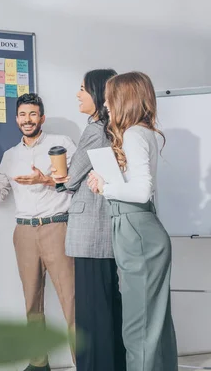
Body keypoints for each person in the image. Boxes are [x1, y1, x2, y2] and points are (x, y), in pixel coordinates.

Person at [0, 93, 77, 371]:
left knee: (71, 301)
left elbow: (77, 183)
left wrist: (45, 180)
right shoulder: (10, 156)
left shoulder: (62, 144)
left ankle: (83, 361)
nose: (28, 120)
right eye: (23, 115)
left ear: (42, 118)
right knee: (31, 303)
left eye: (33, 114)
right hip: (24, 232)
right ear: (16, 119)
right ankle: (39, 364)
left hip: (57, 225)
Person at [87, 71, 178, 371]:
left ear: (124, 99)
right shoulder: (141, 132)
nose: (106, 105)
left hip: (137, 231)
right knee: (152, 326)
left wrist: (105, 187)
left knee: (138, 329)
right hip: (136, 228)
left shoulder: (136, 134)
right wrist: (106, 180)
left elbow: (141, 190)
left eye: (110, 98)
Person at [52, 69, 127, 371]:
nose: (77, 94)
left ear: (97, 94)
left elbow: (71, 180)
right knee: (106, 305)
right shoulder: (113, 128)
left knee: (92, 309)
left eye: (82, 89)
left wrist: (59, 175)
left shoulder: (95, 131)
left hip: (91, 232)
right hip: (103, 230)